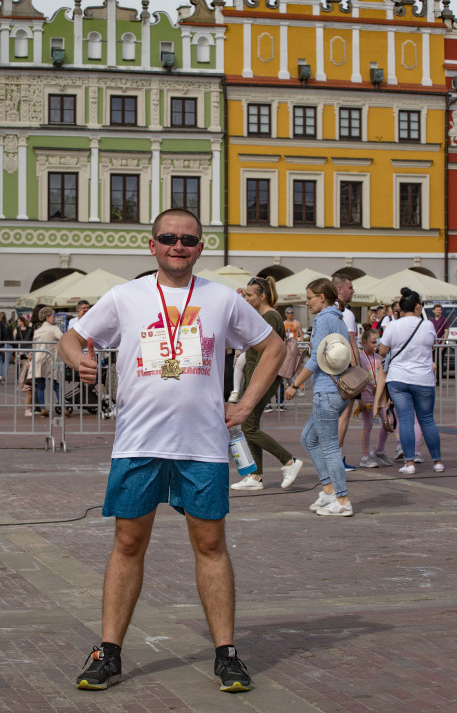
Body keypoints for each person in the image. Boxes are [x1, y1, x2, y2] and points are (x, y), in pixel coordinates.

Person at [59, 208, 285, 693]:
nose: (178, 246)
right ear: (152, 244)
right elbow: (72, 337)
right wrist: (80, 357)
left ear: (200, 247)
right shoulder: (125, 296)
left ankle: (226, 654)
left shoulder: (223, 300)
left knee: (209, 545)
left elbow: (273, 347)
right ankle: (108, 653)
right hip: (138, 443)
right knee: (127, 544)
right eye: (168, 238)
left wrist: (245, 404)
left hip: (201, 446)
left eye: (188, 240)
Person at [285, 278, 354, 516]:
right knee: (308, 438)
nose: (307, 302)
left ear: (322, 297)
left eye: (310, 297)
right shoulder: (338, 317)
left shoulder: (324, 319)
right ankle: (328, 490)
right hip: (337, 388)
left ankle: (342, 500)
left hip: (327, 390)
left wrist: (295, 383)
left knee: (330, 447)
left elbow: (315, 358)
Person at [230, 276, 303, 491]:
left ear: (262, 296)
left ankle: (288, 461)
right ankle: (255, 476)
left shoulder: (270, 317)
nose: (246, 297)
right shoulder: (264, 315)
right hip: (256, 373)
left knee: (248, 426)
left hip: (261, 375)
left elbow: (269, 354)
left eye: (249, 295)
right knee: (248, 425)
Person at [375, 287, 444, 475]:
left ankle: (409, 463)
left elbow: (382, 351)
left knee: (405, 420)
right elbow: (431, 343)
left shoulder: (393, 326)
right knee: (427, 420)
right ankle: (437, 461)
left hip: (398, 378)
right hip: (423, 378)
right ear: (418, 306)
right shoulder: (427, 325)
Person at [331, 273, 360, 472]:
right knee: (344, 414)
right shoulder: (345, 313)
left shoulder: (326, 310)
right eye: (350, 287)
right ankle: (337, 456)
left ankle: (332, 456)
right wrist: (358, 371)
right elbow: (352, 344)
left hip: (330, 367)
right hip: (344, 368)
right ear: (340, 289)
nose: (353, 291)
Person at [355, 328, 391, 468]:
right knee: (368, 425)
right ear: (364, 342)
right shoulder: (360, 358)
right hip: (367, 396)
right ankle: (365, 456)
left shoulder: (379, 357)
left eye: (378, 342)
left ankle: (379, 450)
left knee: (389, 422)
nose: (376, 345)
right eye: (373, 342)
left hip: (380, 397)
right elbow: (358, 378)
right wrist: (360, 398)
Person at [32, 307, 63, 416]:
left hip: (38, 359)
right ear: (47, 317)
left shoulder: (37, 330)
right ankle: (63, 408)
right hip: (50, 359)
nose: (54, 319)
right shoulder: (54, 329)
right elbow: (62, 338)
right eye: (52, 316)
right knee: (56, 385)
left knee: (41, 385)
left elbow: (34, 346)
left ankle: (42, 409)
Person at [14, 315, 34, 417]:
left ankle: (31, 408)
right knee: (29, 392)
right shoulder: (27, 347)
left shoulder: (29, 344)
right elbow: (25, 356)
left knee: (31, 392)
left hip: (31, 372)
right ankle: (27, 409)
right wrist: (27, 355)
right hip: (27, 373)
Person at [0, 311, 14, 383]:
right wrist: (14, 346)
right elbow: (11, 337)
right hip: (8, 344)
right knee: (7, 362)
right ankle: (4, 378)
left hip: (0, 344)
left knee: (0, 361)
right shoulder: (9, 325)